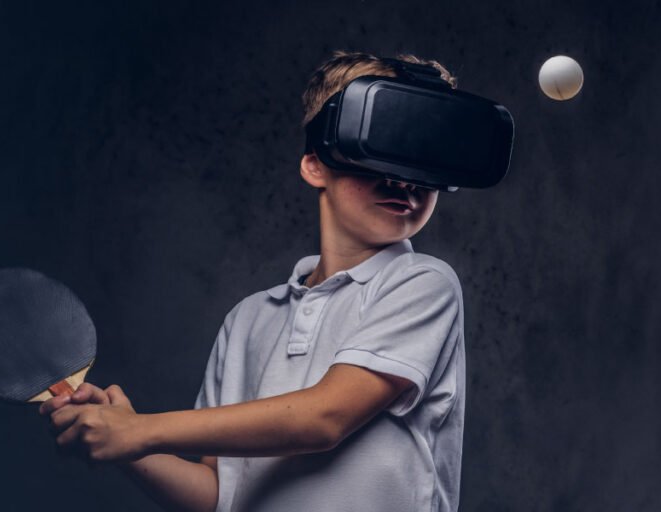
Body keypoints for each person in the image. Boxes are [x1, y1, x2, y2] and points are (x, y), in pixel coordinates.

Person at [40, 51, 466, 512]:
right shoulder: (248, 319)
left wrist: (143, 429)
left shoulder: (423, 283)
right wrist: (123, 437)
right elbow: (216, 494)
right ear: (315, 163)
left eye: (424, 154)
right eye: (381, 144)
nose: (404, 180)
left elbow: (324, 417)